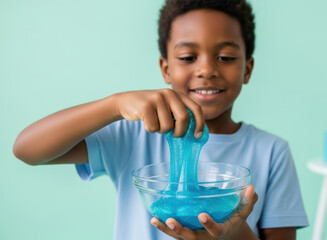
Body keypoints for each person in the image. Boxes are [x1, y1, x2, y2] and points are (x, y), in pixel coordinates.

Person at [13, 0, 308, 239]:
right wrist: (114, 105)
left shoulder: (272, 152)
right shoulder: (133, 136)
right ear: (165, 69)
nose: (206, 70)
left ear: (247, 68)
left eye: (226, 57)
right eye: (188, 57)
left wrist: (233, 234)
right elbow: (27, 149)